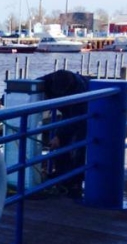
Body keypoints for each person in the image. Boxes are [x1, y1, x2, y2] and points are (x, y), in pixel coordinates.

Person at [40, 69, 89, 198]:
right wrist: (2, 100)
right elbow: (26, 87)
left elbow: (76, 118)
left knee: (79, 145)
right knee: (62, 146)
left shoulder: (81, 90)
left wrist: (59, 136)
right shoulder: (47, 79)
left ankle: (75, 180)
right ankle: (62, 175)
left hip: (82, 113)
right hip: (67, 110)